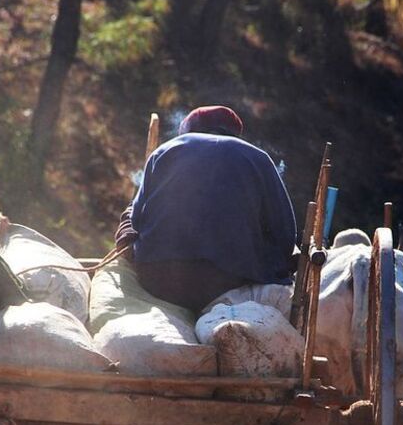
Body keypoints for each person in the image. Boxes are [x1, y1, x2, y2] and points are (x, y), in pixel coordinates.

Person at [113, 105, 297, 313]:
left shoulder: (164, 151)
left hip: (158, 278)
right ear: (234, 132)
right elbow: (284, 233)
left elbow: (136, 221)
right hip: (228, 282)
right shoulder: (259, 158)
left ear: (188, 130)